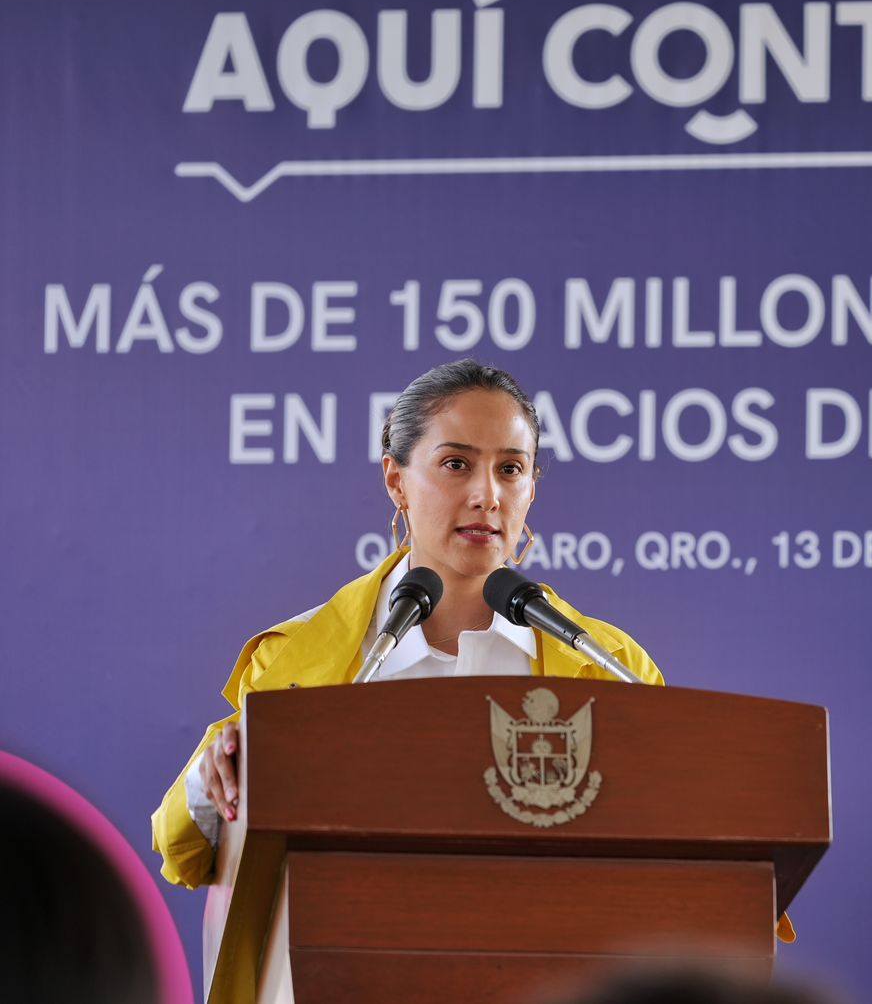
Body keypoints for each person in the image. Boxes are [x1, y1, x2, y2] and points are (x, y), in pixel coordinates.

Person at [151, 359, 664, 889]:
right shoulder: (297, 659)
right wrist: (219, 775)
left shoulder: (610, 665)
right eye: (456, 464)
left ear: (530, 488)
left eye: (510, 469)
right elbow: (183, 851)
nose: (487, 495)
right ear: (397, 480)